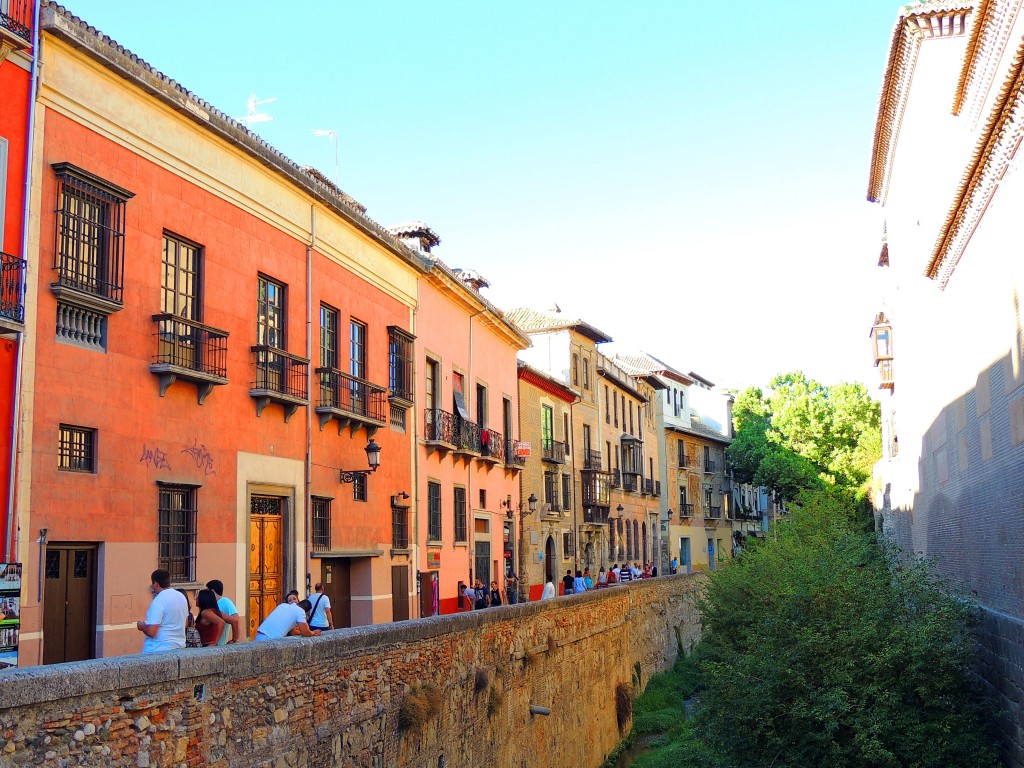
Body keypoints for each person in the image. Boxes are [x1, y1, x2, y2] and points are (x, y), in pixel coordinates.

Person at [136, 569, 188, 653]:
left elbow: (152, 632)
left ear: (156, 584)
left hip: (158, 648)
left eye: (152, 583)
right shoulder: (181, 596)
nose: (152, 586)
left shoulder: (159, 600)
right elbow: (185, 623)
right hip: (179, 647)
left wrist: (141, 626)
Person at [255, 599, 320, 640]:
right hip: (271, 639)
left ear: (299, 603)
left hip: (259, 635)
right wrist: (313, 632)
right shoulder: (301, 611)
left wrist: (299, 631)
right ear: (306, 611)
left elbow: (292, 632)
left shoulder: (283, 605)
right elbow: (305, 632)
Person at [205, 579, 242, 644]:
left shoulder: (225, 602)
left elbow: (236, 619)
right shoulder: (209, 604)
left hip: (220, 644)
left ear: (212, 591)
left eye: (207, 591)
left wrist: (235, 640)